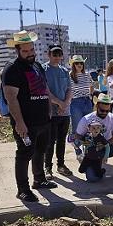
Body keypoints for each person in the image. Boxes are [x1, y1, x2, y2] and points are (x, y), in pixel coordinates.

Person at [1, 31, 57, 202]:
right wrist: (19, 122)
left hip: (43, 119)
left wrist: (49, 109)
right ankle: (23, 190)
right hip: (26, 122)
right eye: (25, 51)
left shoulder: (37, 66)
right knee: (24, 154)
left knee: (41, 150)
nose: (30, 53)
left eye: (31, 50)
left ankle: (39, 179)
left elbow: (44, 89)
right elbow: (11, 97)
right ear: (17, 50)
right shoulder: (12, 69)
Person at [74, 93, 113, 181]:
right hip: (92, 151)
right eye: (102, 110)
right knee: (92, 179)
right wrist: (84, 141)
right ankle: (96, 169)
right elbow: (77, 135)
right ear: (97, 106)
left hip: (108, 146)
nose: (104, 113)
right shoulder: (86, 119)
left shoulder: (112, 117)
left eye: (107, 111)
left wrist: (105, 144)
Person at [43, 44, 73, 179]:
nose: (57, 57)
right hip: (50, 112)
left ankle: (61, 165)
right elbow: (45, 90)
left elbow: (69, 89)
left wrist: (65, 104)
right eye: (54, 54)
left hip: (64, 112)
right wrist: (59, 103)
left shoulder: (64, 71)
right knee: (50, 141)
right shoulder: (43, 69)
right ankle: (47, 167)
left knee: (61, 141)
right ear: (48, 54)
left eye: (59, 54)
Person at [68, 55, 94, 137]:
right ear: (73, 65)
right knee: (77, 126)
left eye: (81, 63)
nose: (79, 65)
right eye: (77, 63)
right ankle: (77, 147)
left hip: (87, 101)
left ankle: (87, 147)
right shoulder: (70, 75)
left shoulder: (87, 74)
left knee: (88, 126)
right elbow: (68, 90)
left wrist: (90, 95)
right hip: (75, 103)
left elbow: (92, 85)